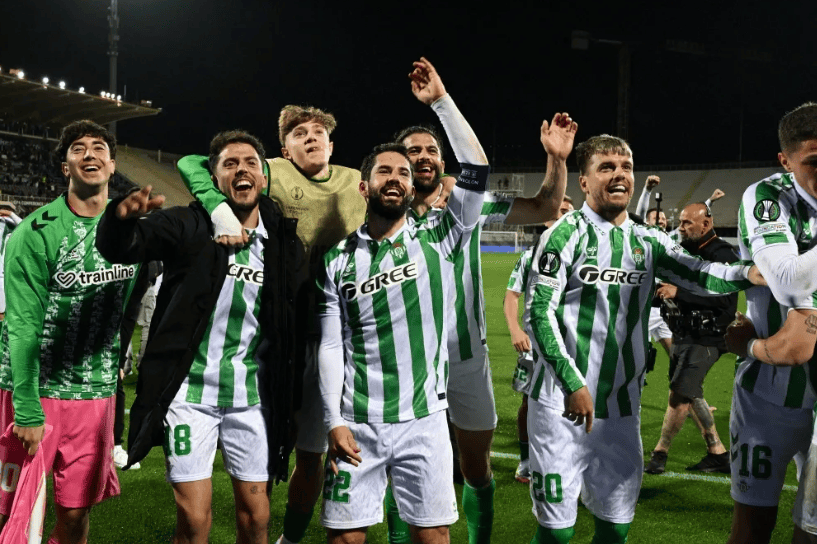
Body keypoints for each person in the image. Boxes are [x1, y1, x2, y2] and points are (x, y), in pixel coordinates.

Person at [523, 134, 763, 544]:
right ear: (584, 181)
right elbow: (538, 313)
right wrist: (572, 382)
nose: (620, 175)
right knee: (557, 533)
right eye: (607, 167)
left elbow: (699, 273)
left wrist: (748, 273)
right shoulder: (564, 235)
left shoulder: (648, 240)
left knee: (616, 525)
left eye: (626, 167)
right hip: (561, 406)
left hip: (621, 408)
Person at [380, 59, 576, 544]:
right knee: (403, 468)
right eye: (413, 151)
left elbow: (546, 206)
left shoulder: (465, 206)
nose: (424, 156)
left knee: (476, 465)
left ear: (442, 162)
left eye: (431, 150)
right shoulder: (380, 214)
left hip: (466, 357)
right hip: (407, 361)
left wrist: (557, 160)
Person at [96, 130, 304, 544]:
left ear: (263, 177)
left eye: (250, 163)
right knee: (193, 520)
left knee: (257, 518)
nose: (241, 170)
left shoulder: (282, 244)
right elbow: (127, 245)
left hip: (252, 398)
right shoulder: (189, 224)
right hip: (190, 396)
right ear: (213, 178)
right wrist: (120, 220)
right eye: (230, 164)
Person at [177, 107, 366, 544]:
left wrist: (443, 184)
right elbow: (191, 162)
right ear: (283, 149)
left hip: (340, 331)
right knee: (284, 439)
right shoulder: (272, 172)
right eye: (299, 133)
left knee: (320, 452)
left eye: (318, 132)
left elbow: (399, 191)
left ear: (332, 144)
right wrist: (217, 208)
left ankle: (291, 539)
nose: (311, 137)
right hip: (283, 334)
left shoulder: (355, 179)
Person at [318, 61, 489, 544]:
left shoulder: (441, 235)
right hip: (357, 421)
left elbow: (476, 169)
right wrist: (333, 421)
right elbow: (330, 346)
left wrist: (441, 102)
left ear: (413, 187)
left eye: (403, 173)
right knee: (345, 539)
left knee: (433, 537)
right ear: (364, 186)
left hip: (425, 420)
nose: (394, 178)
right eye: (384, 171)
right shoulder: (337, 260)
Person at [0, 120, 138, 543]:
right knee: (11, 510)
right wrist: (26, 408)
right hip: (34, 388)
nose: (89, 154)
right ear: (65, 168)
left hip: (94, 394)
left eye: (99, 148)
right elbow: (22, 324)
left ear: (112, 165)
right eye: (78, 148)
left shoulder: (134, 230)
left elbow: (129, 304)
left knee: (76, 514)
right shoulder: (34, 232)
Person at [721, 102, 817, 544]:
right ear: (786, 161)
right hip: (769, 396)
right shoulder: (767, 198)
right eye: (814, 162)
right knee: (753, 528)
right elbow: (786, 282)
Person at [643, 202, 737, 475]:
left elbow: (724, 300)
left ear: (706, 224)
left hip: (708, 337)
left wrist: (679, 293)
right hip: (685, 332)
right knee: (690, 391)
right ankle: (717, 452)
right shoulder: (687, 251)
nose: (681, 228)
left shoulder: (722, 254)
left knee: (680, 394)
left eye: (687, 223)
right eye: (681, 222)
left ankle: (660, 453)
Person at [503, 197, 574, 485]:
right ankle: (526, 461)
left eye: (568, 211)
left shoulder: (583, 253)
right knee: (529, 401)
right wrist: (515, 330)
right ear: (546, 219)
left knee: (573, 399)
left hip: (572, 344)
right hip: (534, 344)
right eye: (558, 211)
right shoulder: (530, 256)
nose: (563, 215)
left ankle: (568, 458)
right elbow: (511, 297)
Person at [0, 202, 22, 321]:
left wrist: (10, 214)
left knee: (2, 312)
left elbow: (26, 226)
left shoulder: (8, 223)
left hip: (2, 274)